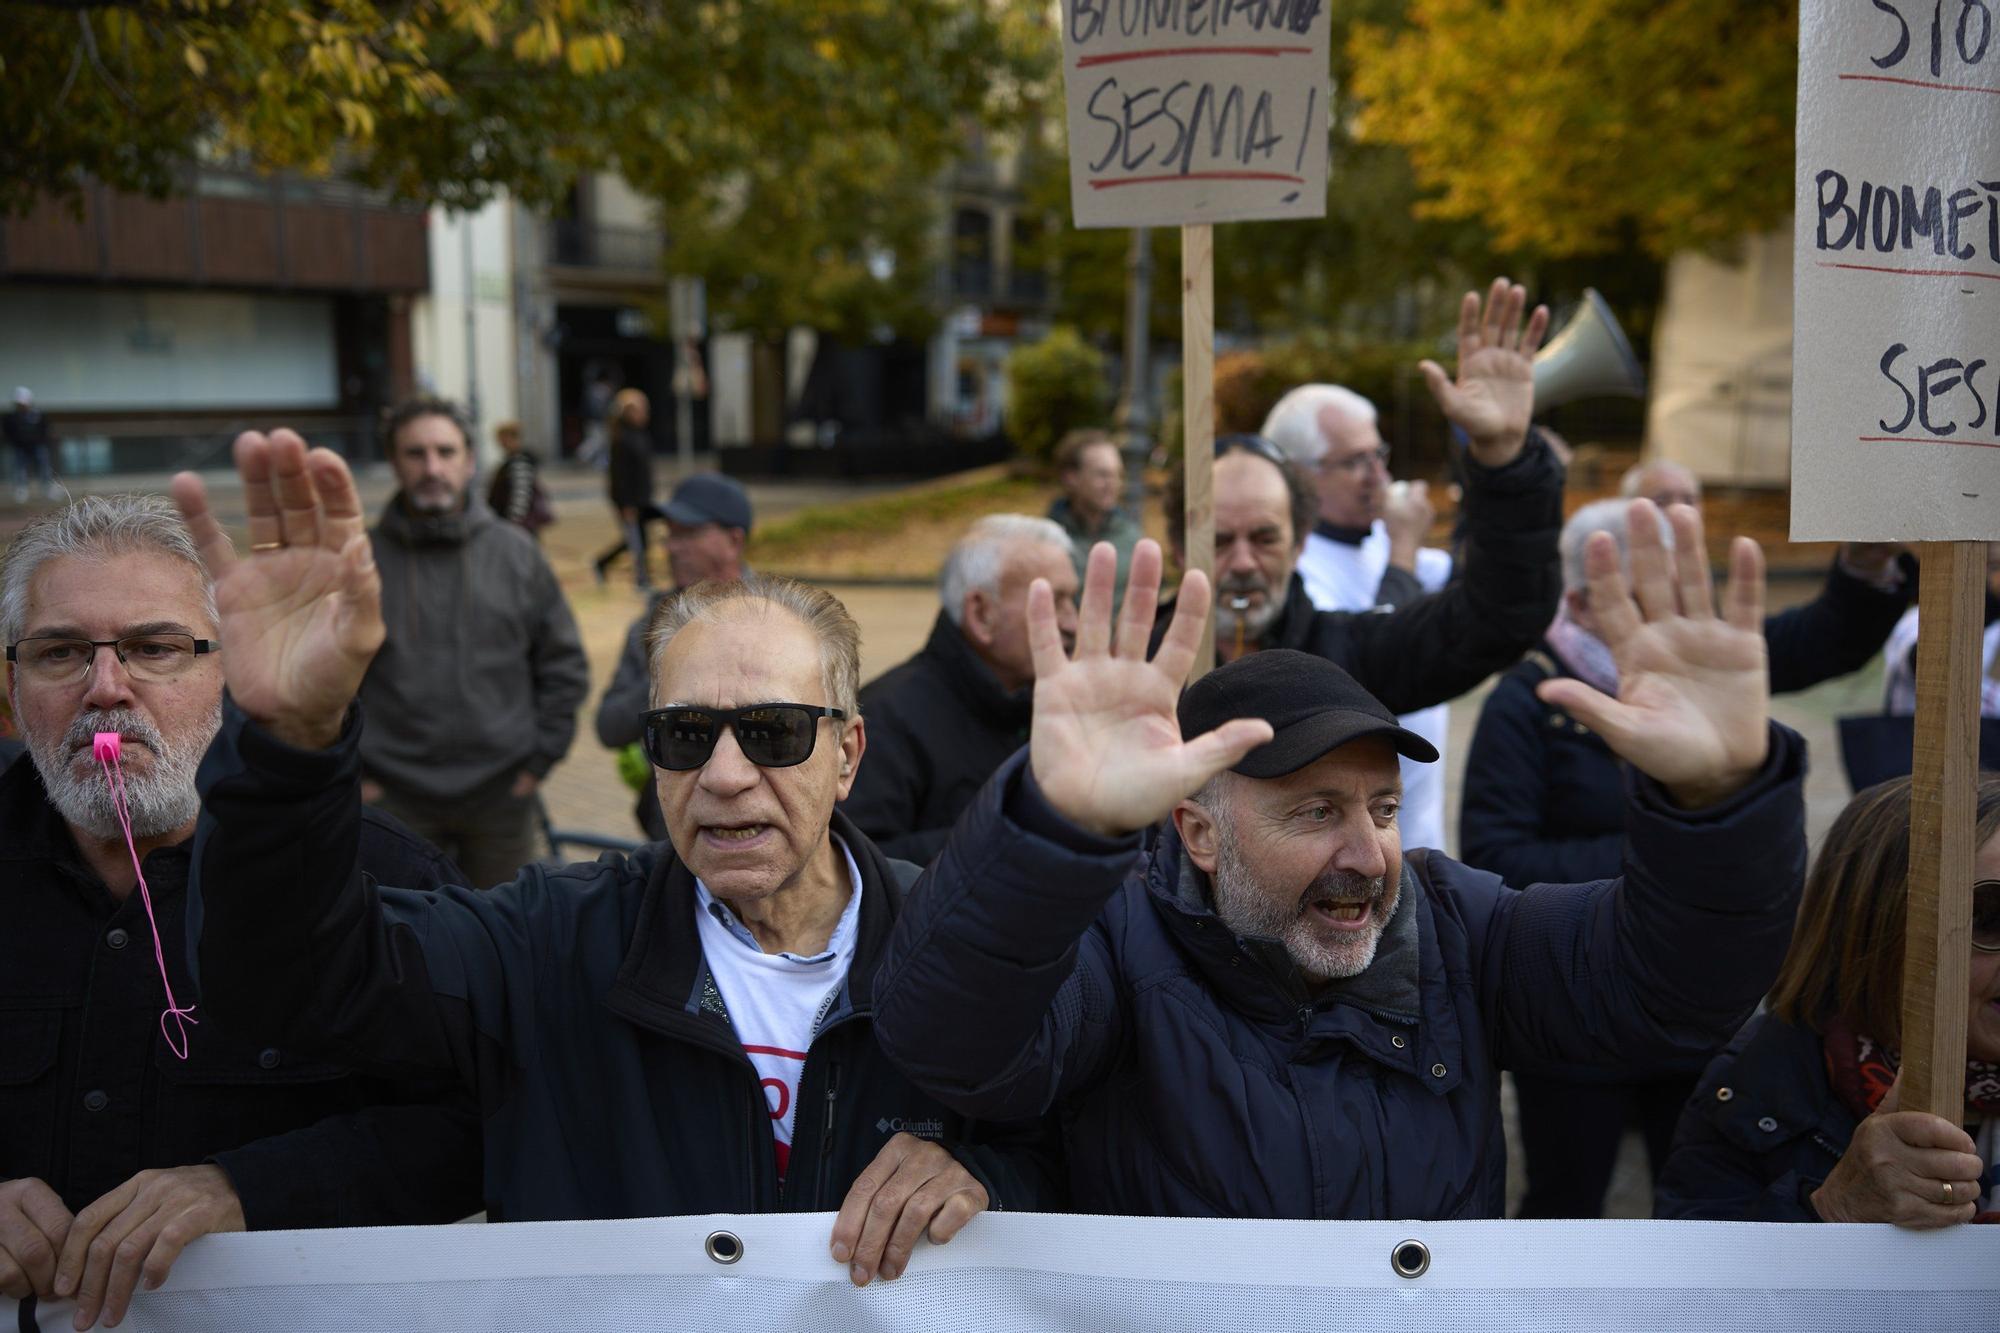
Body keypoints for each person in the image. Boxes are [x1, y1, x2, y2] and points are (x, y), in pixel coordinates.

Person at [171, 431, 1052, 1289]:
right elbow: (294, 985)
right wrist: (292, 744)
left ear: (850, 754)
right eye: (685, 735)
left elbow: (1094, 1146)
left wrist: (987, 1180)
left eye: (775, 732)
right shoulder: (548, 939)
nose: (726, 775)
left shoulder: (954, 947)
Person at [874, 496, 1811, 1220]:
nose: (1366, 853)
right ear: (1200, 831)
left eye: (1385, 808)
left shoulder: (1463, 929)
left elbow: (1672, 988)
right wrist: (1051, 830)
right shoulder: (1117, 945)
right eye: (1316, 810)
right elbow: (954, 1041)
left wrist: (1718, 804)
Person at [0, 494, 480, 1328]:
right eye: (60, 652)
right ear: (11, 685)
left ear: (234, 667)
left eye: (155, 648)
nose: (105, 689)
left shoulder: (380, 876)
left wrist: (249, 1187)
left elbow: (485, 1123)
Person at [1155, 286, 1562, 722]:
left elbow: (1494, 620)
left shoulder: (1341, 659)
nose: (1242, 562)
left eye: (1264, 538)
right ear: (1180, 550)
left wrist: (1504, 460)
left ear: (1298, 543)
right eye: (1217, 541)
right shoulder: (1135, 664)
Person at [1655, 775, 2000, 1226]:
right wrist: (1835, 1209)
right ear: (1875, 925)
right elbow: (1696, 1288)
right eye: (1990, 916)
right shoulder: (1764, 1078)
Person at [359, 397, 590, 889]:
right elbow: (326, 685)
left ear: (469, 460)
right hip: (394, 801)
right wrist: (356, 778)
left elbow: (563, 665)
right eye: (415, 453)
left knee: (503, 946)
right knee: (405, 946)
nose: (432, 467)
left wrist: (538, 762)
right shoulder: (358, 563)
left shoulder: (516, 555)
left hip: (501, 799)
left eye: (445, 451)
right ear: (395, 461)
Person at [1261, 383, 1456, 851]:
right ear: (1296, 474)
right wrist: (1405, 548)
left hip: (1422, 839)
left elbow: (1468, 596)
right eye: (1354, 462)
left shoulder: (1374, 539)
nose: (1379, 477)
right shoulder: (1296, 566)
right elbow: (1382, 657)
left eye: (1379, 455)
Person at [841, 515, 1080, 863]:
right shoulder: (885, 719)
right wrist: (1012, 833)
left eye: (1073, 599)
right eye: (1054, 602)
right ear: (981, 613)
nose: (1072, 622)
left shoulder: (1050, 703)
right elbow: (855, 868)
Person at [1620, 459, 1914, 694]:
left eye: (1690, 498)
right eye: (1661, 499)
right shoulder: (1603, 604)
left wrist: (1864, 567)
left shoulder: (1715, 628)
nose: (1680, 509)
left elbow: (1813, 645)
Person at [596, 473, 755, 840]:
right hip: (670, 831)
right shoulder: (650, 627)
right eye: (668, 535)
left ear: (733, 542)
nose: (670, 548)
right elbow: (608, 726)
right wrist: (673, 667)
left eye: (687, 533)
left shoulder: (783, 621)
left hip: (758, 824)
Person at [1046, 431, 1143, 606]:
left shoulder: (1133, 537)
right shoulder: (1046, 542)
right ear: (1071, 478)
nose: (1113, 484)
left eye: (1118, 475)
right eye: (1103, 475)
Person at [593, 389, 660, 589]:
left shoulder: (639, 435)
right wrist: (626, 504)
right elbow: (619, 476)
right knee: (636, 541)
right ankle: (641, 579)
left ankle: (602, 562)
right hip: (629, 501)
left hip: (642, 498)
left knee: (637, 539)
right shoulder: (621, 439)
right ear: (629, 412)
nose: (645, 414)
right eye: (640, 410)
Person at [485, 420, 552, 538]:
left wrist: (514, 522)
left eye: (501, 439)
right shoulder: (511, 461)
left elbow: (521, 493)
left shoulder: (519, 462)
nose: (500, 443)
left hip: (520, 526)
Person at [5, 387, 58, 503]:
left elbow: (46, 429)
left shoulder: (38, 414)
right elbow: (8, 432)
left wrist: (44, 441)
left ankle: (48, 489)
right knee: (19, 469)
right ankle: (21, 490)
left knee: (44, 467)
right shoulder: (11, 417)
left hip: (38, 445)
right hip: (20, 447)